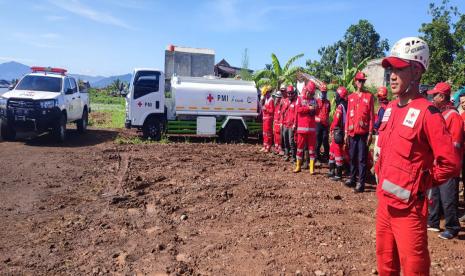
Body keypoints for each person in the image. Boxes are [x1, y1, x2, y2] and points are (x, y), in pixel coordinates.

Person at [375, 37, 460, 275]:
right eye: (391, 68)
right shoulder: (390, 109)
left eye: (399, 68)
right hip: (384, 203)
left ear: (416, 70)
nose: (392, 75)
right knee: (385, 263)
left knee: (414, 268)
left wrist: (422, 181)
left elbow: (450, 163)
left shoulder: (428, 113)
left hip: (409, 209)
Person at [426, 82, 463, 239]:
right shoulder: (440, 114)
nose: (432, 98)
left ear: (442, 96)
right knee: (434, 194)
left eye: (435, 95)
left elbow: (455, 143)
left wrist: (445, 160)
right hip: (436, 163)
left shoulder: (453, 116)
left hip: (447, 165)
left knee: (448, 198)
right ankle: (433, 222)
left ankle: (452, 226)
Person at [344, 71, 375, 192]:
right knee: (352, 157)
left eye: (363, 81)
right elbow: (347, 117)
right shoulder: (351, 97)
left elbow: (372, 116)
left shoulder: (369, 96)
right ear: (355, 82)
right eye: (359, 80)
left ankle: (361, 183)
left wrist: (370, 133)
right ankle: (352, 178)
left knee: (362, 159)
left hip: (363, 133)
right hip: (352, 133)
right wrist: (346, 132)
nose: (361, 83)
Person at [294, 81, 318, 174]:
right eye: (310, 92)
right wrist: (308, 108)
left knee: (312, 149)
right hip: (301, 129)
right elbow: (298, 110)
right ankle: (298, 166)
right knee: (299, 148)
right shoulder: (299, 99)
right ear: (306, 90)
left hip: (311, 130)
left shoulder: (314, 100)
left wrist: (314, 109)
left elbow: (317, 111)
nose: (310, 95)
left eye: (312, 93)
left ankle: (312, 168)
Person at [328, 86, 348, 181]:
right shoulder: (345, 105)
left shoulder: (340, 107)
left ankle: (338, 174)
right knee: (332, 151)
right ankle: (331, 170)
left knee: (337, 152)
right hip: (341, 131)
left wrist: (331, 129)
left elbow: (336, 120)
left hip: (338, 132)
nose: (335, 98)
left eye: (336, 95)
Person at [373, 86, 390, 167]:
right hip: (387, 135)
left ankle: (377, 176)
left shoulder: (382, 109)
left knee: (377, 156)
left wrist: (373, 126)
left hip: (380, 135)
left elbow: (379, 122)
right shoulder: (390, 106)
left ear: (380, 97)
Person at [315, 83, 331, 165]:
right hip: (318, 124)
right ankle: (317, 157)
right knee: (318, 141)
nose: (323, 94)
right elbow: (313, 112)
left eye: (325, 92)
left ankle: (327, 157)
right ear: (320, 92)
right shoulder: (316, 101)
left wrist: (328, 123)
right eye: (322, 92)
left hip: (325, 124)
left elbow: (328, 113)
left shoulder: (328, 102)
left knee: (325, 140)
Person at [282, 85, 297, 162]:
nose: (290, 95)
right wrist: (282, 122)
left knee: (291, 142)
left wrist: (295, 124)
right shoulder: (285, 101)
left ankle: (293, 157)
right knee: (285, 140)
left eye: (291, 93)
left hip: (291, 125)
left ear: (294, 93)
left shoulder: (295, 102)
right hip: (285, 124)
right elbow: (283, 113)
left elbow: (296, 115)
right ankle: (286, 155)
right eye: (288, 93)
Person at [260, 85, 274, 153]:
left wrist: (266, 109)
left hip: (269, 119)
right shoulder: (266, 99)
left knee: (268, 133)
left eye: (265, 94)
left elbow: (272, 111)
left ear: (268, 93)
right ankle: (265, 145)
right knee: (264, 133)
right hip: (265, 118)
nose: (264, 95)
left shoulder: (271, 100)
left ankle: (268, 147)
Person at [273, 90, 283, 155]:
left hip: (279, 124)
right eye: (276, 97)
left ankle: (280, 149)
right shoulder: (276, 105)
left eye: (278, 97)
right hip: (275, 123)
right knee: (275, 137)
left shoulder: (281, 105)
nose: (276, 98)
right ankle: (276, 148)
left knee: (279, 137)